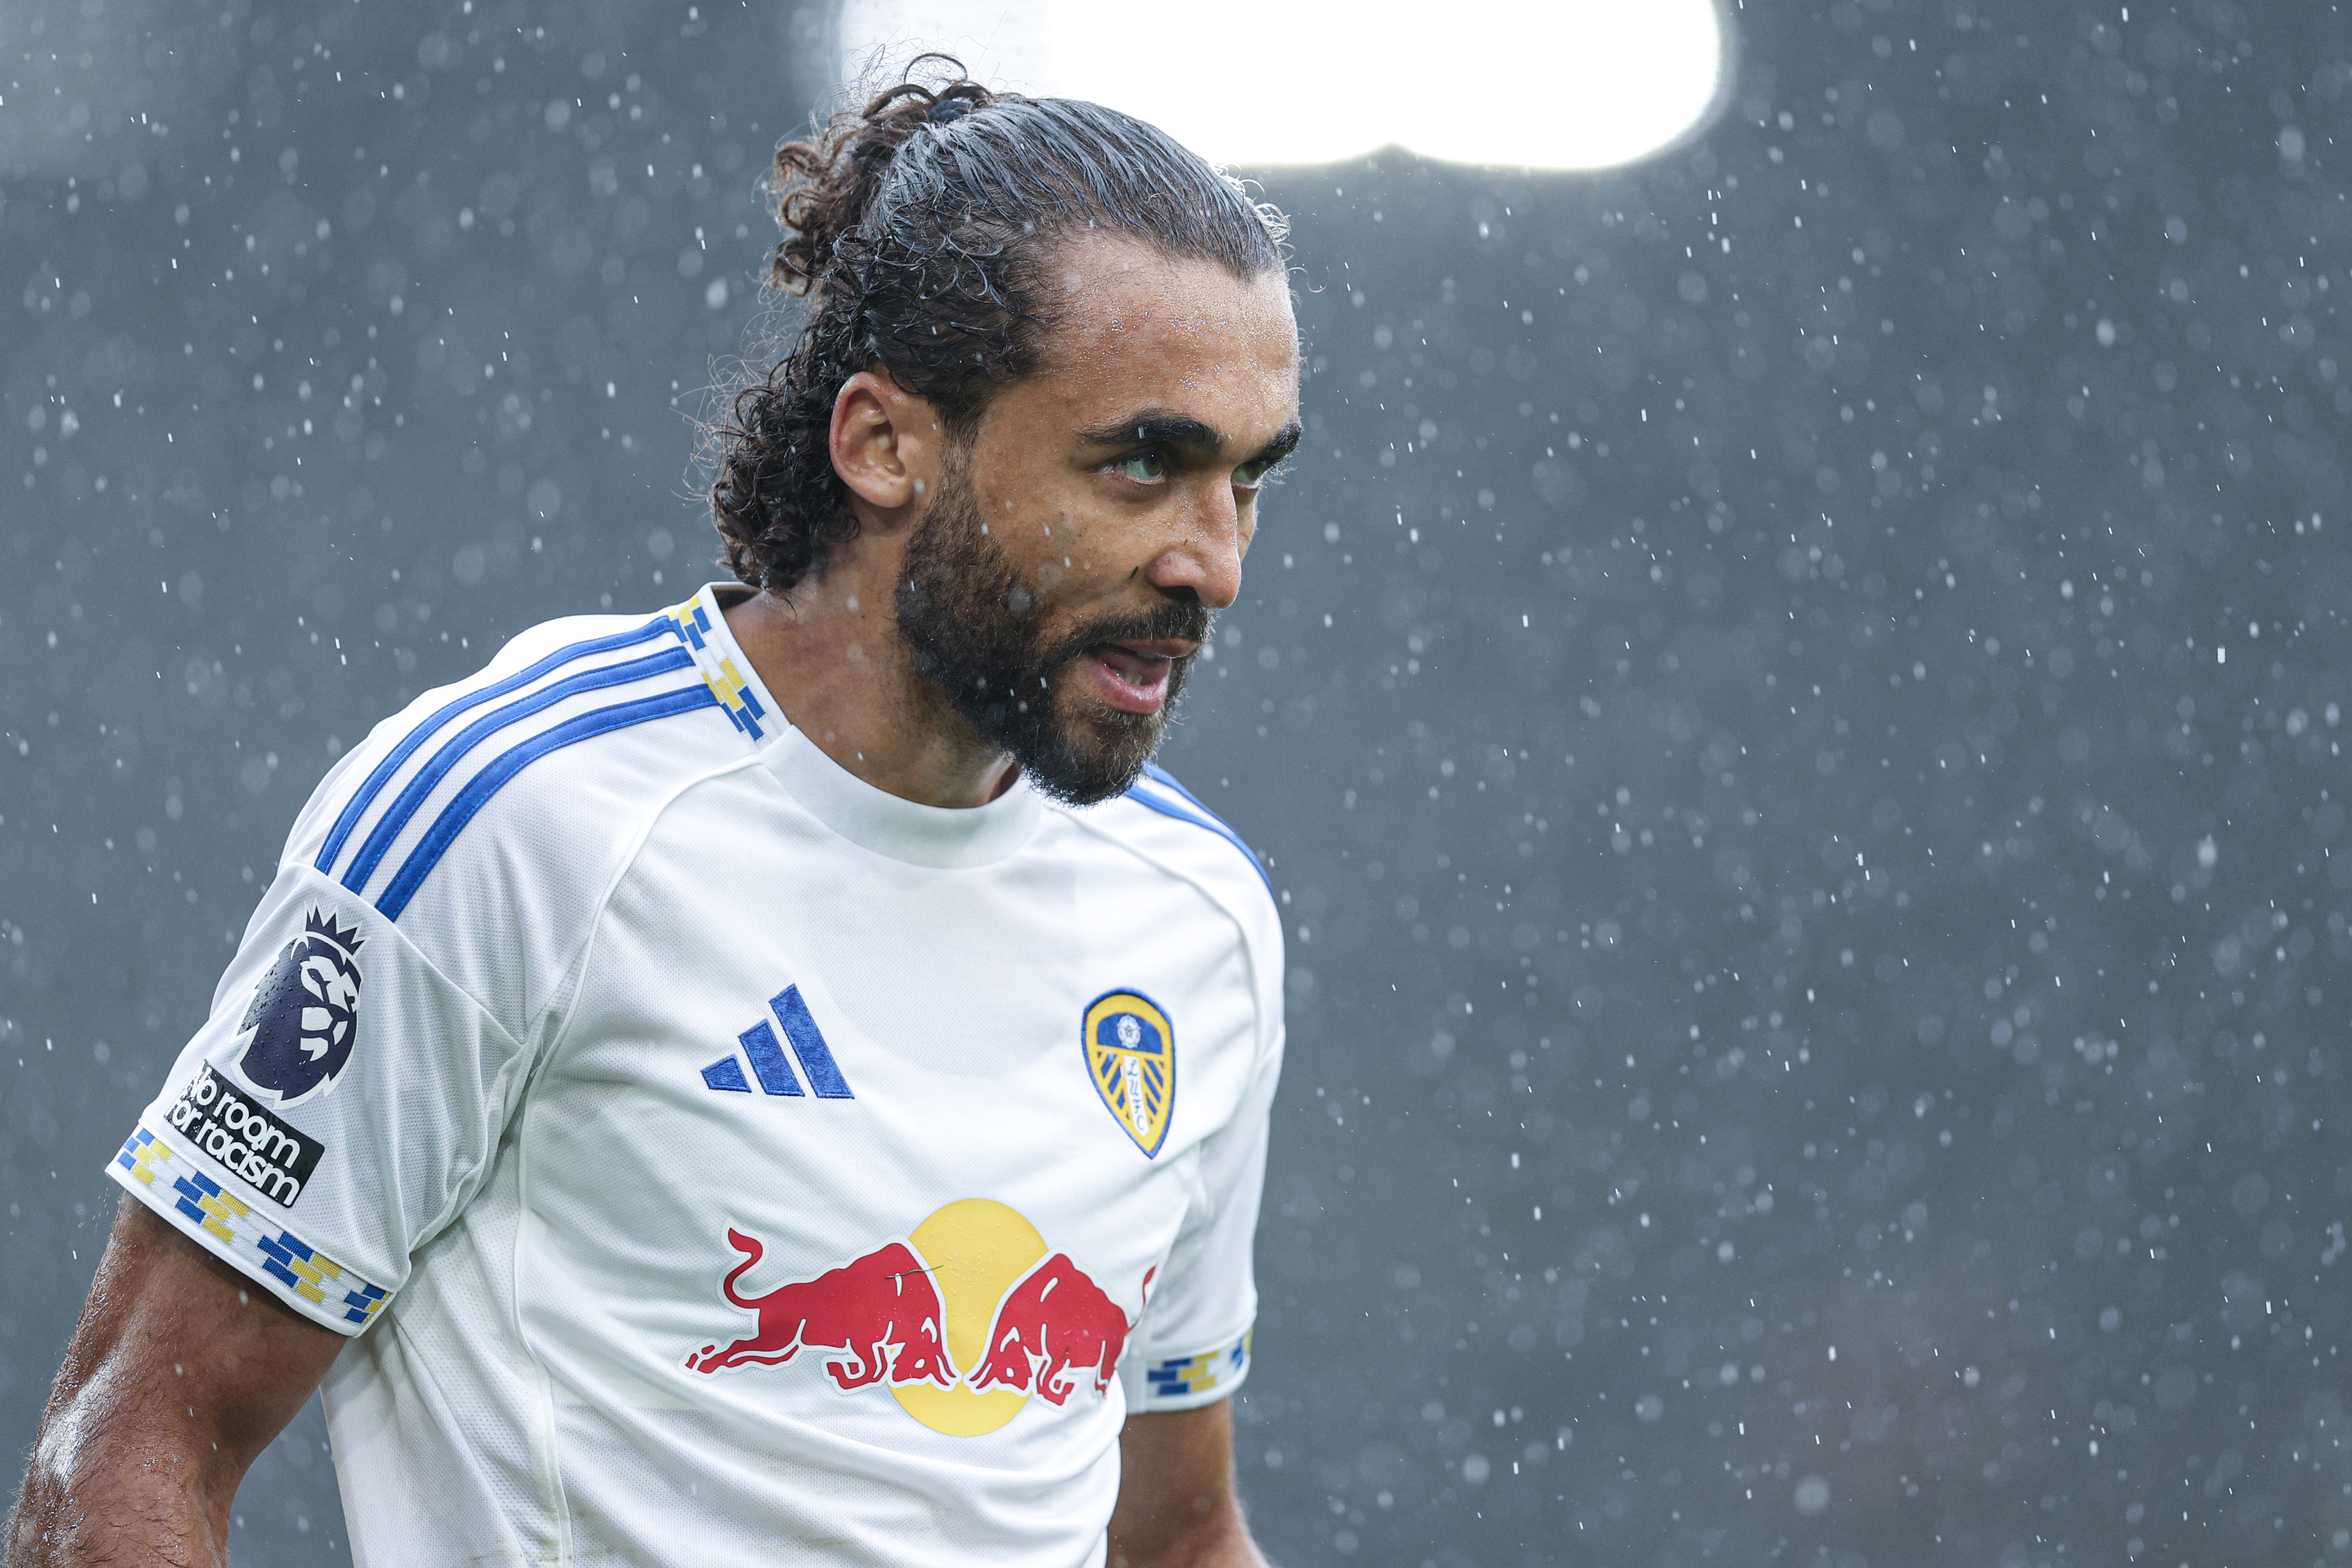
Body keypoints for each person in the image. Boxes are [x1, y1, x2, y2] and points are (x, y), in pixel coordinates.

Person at [8, 64, 1300, 1568]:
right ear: (884, 444)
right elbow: (120, 1462)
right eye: (1142, 462)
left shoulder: (1199, 915)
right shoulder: (518, 816)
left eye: (1246, 480)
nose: (1212, 563)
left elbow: (1181, 1536)